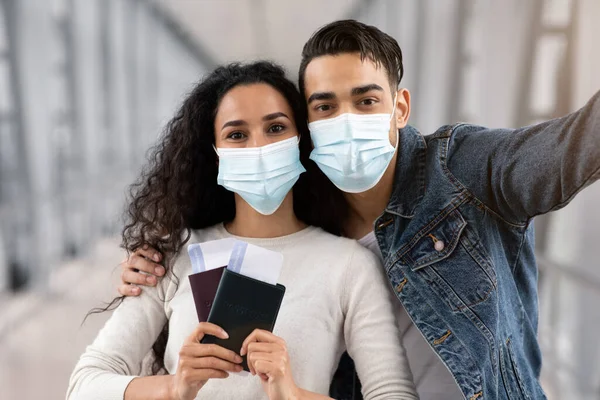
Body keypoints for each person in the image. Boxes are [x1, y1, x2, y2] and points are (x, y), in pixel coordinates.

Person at [121, 20, 600, 400]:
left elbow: (571, 150)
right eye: (325, 107)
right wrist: (152, 264)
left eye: (366, 100)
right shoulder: (305, 219)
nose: (346, 120)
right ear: (306, 124)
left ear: (400, 107)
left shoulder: (463, 169)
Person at [67, 61, 417, 400]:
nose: (259, 146)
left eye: (276, 128)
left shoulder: (349, 267)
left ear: (301, 137)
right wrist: (174, 388)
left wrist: (293, 395)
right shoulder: (173, 256)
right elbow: (84, 386)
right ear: (215, 153)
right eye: (237, 134)